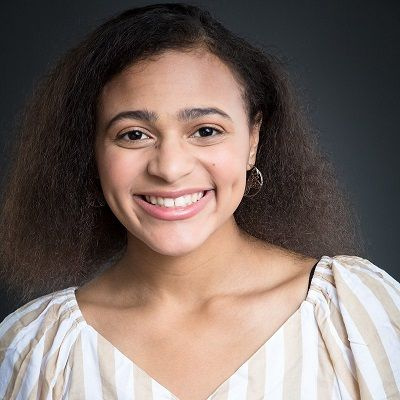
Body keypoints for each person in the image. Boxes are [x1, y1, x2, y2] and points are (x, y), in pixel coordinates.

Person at [0, 3, 399, 399]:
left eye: (206, 130)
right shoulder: (33, 351)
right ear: (92, 150)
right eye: (134, 134)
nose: (170, 168)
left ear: (253, 140)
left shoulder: (355, 314)